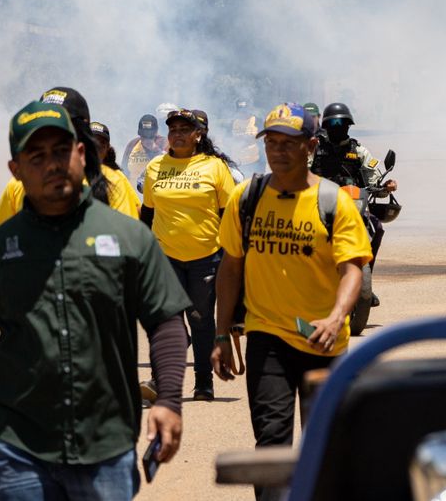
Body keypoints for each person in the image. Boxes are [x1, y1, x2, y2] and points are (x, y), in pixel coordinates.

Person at [0, 101, 191, 500]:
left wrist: (170, 401)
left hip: (106, 446)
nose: (52, 164)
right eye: (36, 157)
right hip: (17, 447)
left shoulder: (128, 238)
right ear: (16, 170)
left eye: (60, 150)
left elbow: (166, 321)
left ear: (81, 153)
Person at [211, 103, 372, 501]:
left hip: (324, 341)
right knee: (271, 443)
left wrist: (336, 317)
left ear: (311, 146)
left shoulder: (333, 202)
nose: (278, 151)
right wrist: (221, 334)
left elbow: (352, 270)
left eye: (289, 143)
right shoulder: (247, 197)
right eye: (272, 142)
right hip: (268, 337)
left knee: (325, 443)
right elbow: (230, 268)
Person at [140, 108, 237, 402]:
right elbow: (147, 214)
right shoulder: (155, 167)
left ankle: (203, 381)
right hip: (165, 257)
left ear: (198, 135)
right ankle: (160, 381)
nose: (178, 134)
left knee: (201, 319)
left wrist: (232, 257)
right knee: (165, 319)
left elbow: (229, 214)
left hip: (206, 257)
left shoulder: (214, 167)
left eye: (185, 129)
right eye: (173, 130)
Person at [0, 87, 140, 225]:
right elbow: (4, 238)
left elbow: (129, 237)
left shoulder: (113, 183)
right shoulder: (16, 185)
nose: (54, 134)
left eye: (65, 124)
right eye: (45, 125)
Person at [311, 102, 398, 303]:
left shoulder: (359, 151)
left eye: (342, 124)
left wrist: (385, 187)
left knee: (376, 227)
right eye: (333, 124)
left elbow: (373, 181)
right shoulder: (315, 149)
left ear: (348, 126)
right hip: (318, 205)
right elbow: (301, 172)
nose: (338, 127)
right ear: (326, 126)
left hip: (351, 207)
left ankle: (366, 280)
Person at [122, 114, 166, 188]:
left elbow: (169, 167)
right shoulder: (132, 144)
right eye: (144, 135)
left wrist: (155, 150)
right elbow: (123, 171)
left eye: (150, 136)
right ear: (139, 133)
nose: (147, 139)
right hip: (134, 192)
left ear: (156, 132)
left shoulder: (165, 143)